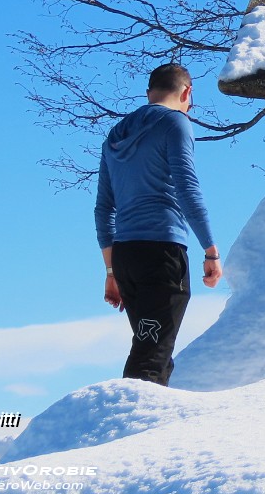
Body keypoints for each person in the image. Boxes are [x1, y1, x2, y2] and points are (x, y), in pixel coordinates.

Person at [94, 63, 222, 385]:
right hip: (162, 253)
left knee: (157, 354)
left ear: (149, 93)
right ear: (186, 92)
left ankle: (156, 427)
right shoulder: (176, 123)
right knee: (151, 359)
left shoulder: (115, 135)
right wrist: (210, 249)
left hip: (126, 258)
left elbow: (103, 209)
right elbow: (187, 189)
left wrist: (111, 272)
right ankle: (122, 427)